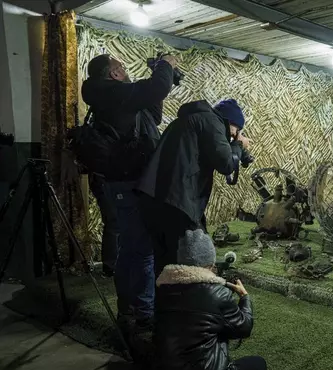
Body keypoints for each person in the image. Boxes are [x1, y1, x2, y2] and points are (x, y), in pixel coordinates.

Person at [81, 53, 177, 329]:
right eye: (120, 67)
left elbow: (153, 115)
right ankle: (144, 314)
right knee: (143, 251)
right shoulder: (112, 94)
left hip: (126, 182)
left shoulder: (116, 97)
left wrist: (156, 78)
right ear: (113, 74)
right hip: (128, 182)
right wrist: (164, 65)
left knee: (130, 249)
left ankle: (129, 309)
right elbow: (158, 87)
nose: (124, 70)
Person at [137, 98, 251, 275]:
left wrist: (233, 146)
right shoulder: (212, 122)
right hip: (177, 200)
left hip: (157, 196)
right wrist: (237, 145)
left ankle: (162, 299)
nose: (234, 135)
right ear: (231, 123)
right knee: (185, 257)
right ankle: (184, 298)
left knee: (163, 260)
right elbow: (226, 164)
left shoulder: (193, 119)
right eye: (236, 131)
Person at [154, 229, 267, 370]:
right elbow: (244, 327)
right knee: (259, 365)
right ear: (210, 263)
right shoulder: (217, 294)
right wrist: (244, 297)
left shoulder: (163, 288)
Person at [88, 174, 118, 277]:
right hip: (104, 177)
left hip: (108, 177)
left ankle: (112, 265)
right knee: (113, 222)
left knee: (114, 222)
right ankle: (111, 266)